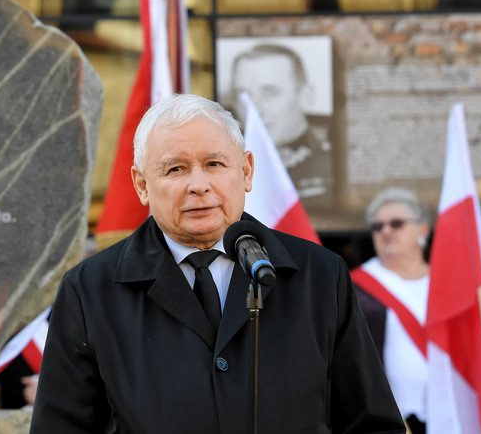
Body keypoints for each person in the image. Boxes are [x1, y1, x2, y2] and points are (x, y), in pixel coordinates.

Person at [30, 94, 403, 433]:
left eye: (214, 164)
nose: (199, 185)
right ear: (142, 185)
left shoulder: (319, 276)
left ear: (246, 171)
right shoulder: (89, 291)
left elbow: (370, 423)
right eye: (175, 169)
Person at [350, 187, 431, 434]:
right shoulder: (353, 286)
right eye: (378, 226)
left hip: (447, 412)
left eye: (396, 223)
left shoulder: (449, 284)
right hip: (388, 418)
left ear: (422, 230)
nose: (386, 231)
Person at [230, 43, 333, 213]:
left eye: (270, 93)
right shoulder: (229, 171)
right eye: (243, 95)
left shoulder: (332, 165)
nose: (255, 109)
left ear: (306, 96)